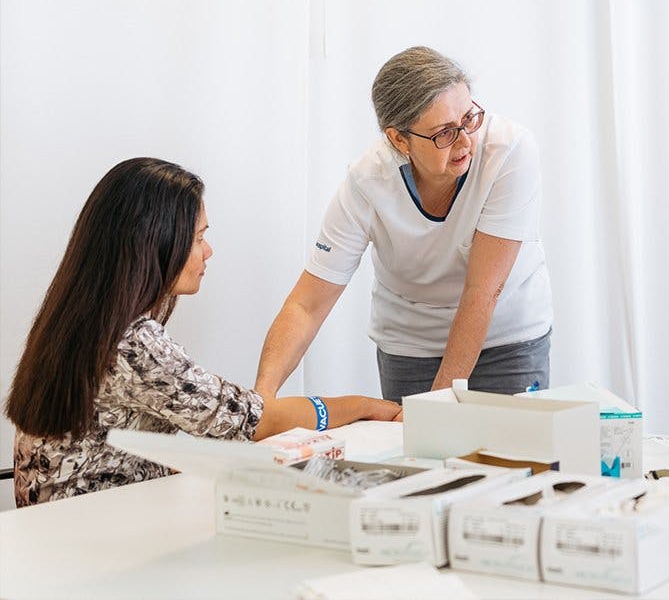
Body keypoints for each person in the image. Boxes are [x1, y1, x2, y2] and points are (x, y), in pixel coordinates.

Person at [4, 158, 400, 507]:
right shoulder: (134, 343)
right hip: (93, 530)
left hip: (62, 521)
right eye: (198, 238)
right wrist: (368, 407)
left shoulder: (76, 319)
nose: (208, 251)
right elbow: (250, 420)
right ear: (157, 242)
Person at [254, 47, 553, 403]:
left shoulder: (509, 151)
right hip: (411, 346)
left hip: (507, 339)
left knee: (509, 455)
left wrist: (437, 408)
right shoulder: (368, 181)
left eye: (469, 118)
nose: (465, 141)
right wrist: (259, 402)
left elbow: (482, 292)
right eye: (444, 132)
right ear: (398, 139)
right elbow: (308, 305)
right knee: (416, 456)